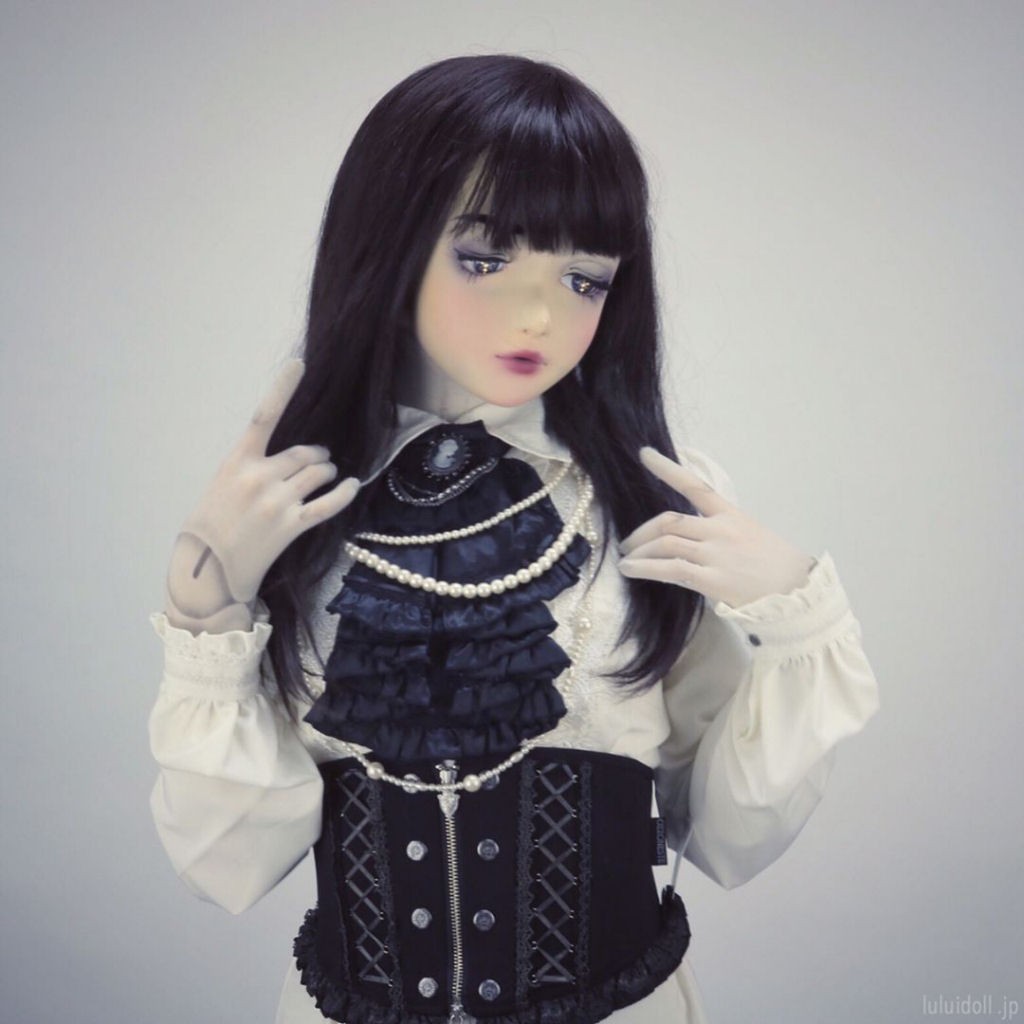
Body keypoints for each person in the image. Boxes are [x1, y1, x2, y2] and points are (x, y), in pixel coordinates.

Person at [148, 54, 879, 1024]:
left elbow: (727, 830)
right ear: (388, 241)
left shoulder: (647, 498)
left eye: (583, 278)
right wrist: (208, 612)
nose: (538, 315)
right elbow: (229, 862)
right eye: (485, 259)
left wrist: (799, 618)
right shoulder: (294, 511)